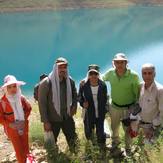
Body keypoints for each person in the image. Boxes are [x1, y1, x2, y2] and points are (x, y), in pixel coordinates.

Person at [38, 57, 78, 152]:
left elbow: (75, 94)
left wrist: (74, 106)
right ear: (55, 68)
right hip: (53, 118)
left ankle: (75, 155)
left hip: (67, 116)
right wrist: (46, 121)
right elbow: (42, 103)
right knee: (51, 142)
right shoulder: (46, 83)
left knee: (73, 139)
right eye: (60, 67)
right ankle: (53, 157)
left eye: (65, 67)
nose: (63, 69)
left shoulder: (70, 81)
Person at [102, 53, 140, 152]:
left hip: (128, 108)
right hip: (114, 106)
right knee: (114, 127)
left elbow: (138, 93)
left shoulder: (133, 76)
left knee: (127, 129)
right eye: (117, 62)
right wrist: (86, 80)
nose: (119, 64)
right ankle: (115, 143)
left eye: (121, 62)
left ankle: (128, 148)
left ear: (126, 63)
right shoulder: (110, 73)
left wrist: (134, 109)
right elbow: (101, 79)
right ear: (113, 63)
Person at [0, 75, 31, 163]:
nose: (12, 89)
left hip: (24, 127)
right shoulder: (2, 102)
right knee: (18, 150)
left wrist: (24, 119)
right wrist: (10, 124)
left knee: (26, 147)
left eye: (14, 86)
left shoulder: (21, 98)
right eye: (9, 87)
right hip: (12, 130)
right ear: (6, 88)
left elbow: (28, 108)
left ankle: (28, 160)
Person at [78, 64, 108, 148]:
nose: (93, 76)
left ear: (98, 74)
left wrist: (105, 109)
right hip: (88, 112)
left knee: (100, 131)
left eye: (95, 73)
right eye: (91, 74)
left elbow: (106, 98)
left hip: (100, 112)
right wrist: (82, 103)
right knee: (89, 130)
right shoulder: (83, 85)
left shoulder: (103, 85)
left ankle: (101, 146)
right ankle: (91, 147)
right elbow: (79, 96)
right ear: (88, 74)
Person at [139, 63, 163, 144]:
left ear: (154, 74)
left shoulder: (160, 90)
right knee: (142, 147)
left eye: (150, 73)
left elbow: (162, 112)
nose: (147, 76)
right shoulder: (141, 85)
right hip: (141, 125)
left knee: (150, 150)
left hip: (152, 127)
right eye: (144, 73)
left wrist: (153, 127)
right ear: (142, 74)